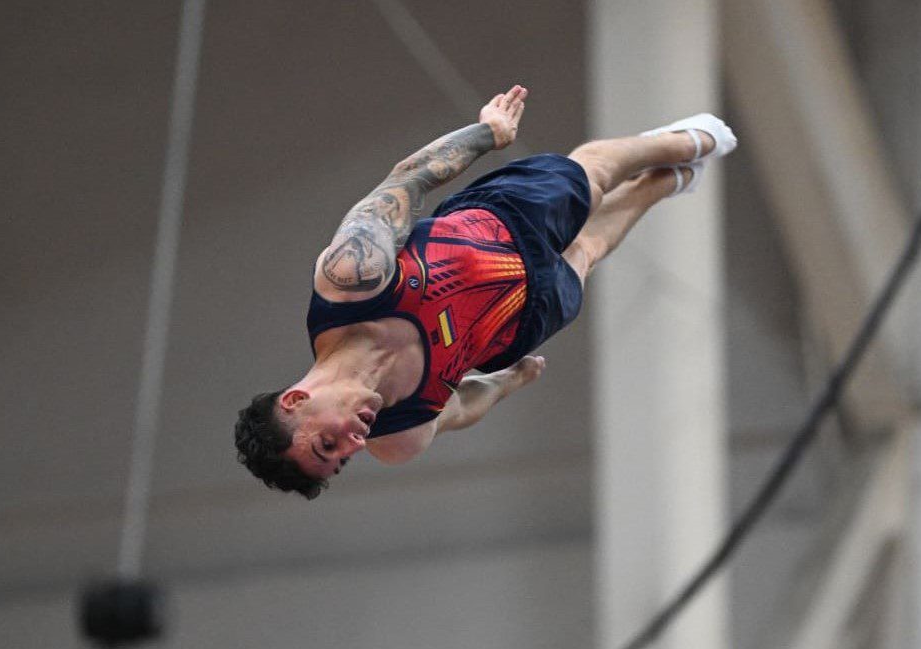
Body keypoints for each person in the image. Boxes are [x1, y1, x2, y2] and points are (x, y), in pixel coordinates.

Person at [234, 84, 737, 499]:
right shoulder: (397, 438)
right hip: (521, 319)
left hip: (498, 223)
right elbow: (459, 408)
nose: (352, 446)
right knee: (588, 250)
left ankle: (682, 145)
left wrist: (485, 134)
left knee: (596, 174)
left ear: (299, 399)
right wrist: (509, 381)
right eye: (339, 463)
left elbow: (405, 183)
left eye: (327, 444)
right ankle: (665, 184)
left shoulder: (349, 282)